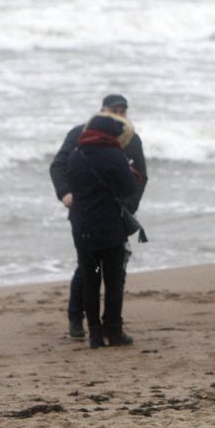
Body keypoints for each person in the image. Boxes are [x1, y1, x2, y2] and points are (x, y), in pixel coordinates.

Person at [49, 94, 147, 340]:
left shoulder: (130, 137)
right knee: (87, 269)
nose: (119, 115)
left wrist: (129, 206)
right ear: (101, 111)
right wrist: (66, 194)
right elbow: (58, 165)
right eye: (114, 110)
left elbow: (140, 176)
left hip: (117, 213)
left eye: (123, 111)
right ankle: (76, 319)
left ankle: (109, 326)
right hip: (83, 209)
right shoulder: (79, 133)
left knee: (116, 269)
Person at [66, 112, 140, 348]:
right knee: (113, 281)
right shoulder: (113, 155)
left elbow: (72, 185)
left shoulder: (76, 154)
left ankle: (95, 334)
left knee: (91, 280)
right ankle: (114, 331)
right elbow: (129, 187)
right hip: (109, 230)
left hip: (83, 229)